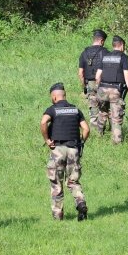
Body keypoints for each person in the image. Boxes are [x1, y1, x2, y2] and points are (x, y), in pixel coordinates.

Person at [40, 83, 90, 221]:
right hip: (73, 149)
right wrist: (81, 142)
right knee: (73, 181)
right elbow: (86, 129)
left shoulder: (52, 110)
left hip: (58, 150)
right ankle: (81, 202)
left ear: (54, 97)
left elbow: (43, 122)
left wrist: (47, 140)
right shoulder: (75, 110)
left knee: (56, 183)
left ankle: (58, 217)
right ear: (65, 95)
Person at [95, 35, 128, 143]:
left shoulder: (105, 56)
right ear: (121, 45)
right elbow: (127, 76)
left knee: (102, 112)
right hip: (115, 90)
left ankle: (98, 137)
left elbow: (97, 76)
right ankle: (116, 142)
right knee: (116, 117)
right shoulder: (124, 57)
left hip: (102, 89)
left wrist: (98, 89)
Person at [78, 29, 108, 133]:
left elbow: (80, 73)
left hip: (90, 84)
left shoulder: (84, 53)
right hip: (103, 83)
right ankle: (102, 129)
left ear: (94, 39)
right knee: (104, 107)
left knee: (93, 107)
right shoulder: (106, 52)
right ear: (102, 41)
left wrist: (84, 87)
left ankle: (95, 132)